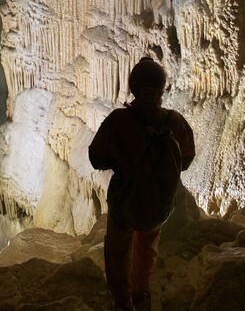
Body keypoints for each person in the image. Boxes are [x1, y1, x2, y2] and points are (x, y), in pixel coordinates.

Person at [89, 57, 195, 311]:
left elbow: (95, 157)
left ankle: (123, 302)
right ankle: (141, 294)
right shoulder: (174, 122)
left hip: (124, 205)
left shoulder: (119, 121)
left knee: (117, 251)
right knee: (147, 247)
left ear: (133, 88)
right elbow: (187, 159)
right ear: (161, 90)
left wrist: (123, 161)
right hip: (157, 206)